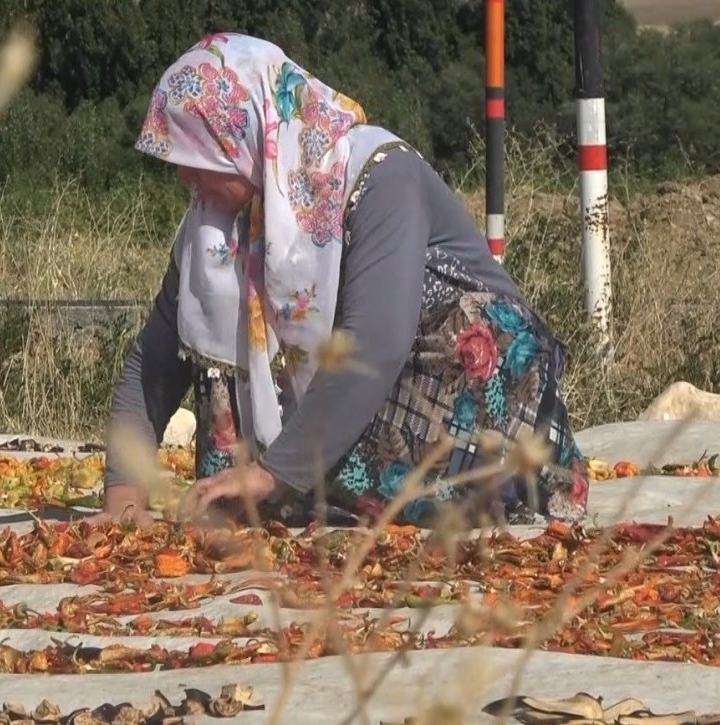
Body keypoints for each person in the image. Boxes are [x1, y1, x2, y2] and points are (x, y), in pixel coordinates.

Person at [90, 33, 588, 529]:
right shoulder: (213, 229)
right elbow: (152, 362)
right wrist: (123, 495)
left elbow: (376, 344)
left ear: (242, 139)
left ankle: (313, 485)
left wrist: (270, 474)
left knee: (467, 335)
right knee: (210, 318)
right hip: (335, 430)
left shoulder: (379, 176)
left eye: (195, 157)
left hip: (446, 401)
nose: (182, 177)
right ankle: (302, 486)